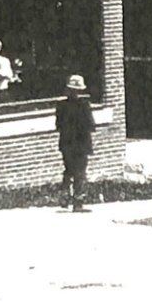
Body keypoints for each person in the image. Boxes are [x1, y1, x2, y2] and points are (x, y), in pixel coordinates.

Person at [55, 73, 95, 211]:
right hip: (81, 143)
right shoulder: (84, 105)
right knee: (80, 172)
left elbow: (58, 125)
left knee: (68, 170)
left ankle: (64, 197)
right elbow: (90, 125)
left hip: (66, 143)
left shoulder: (61, 105)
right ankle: (78, 202)